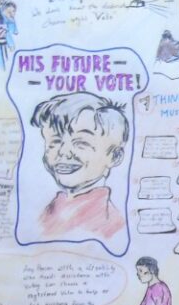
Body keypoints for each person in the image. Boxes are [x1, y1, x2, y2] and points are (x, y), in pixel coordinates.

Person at [30, 91, 129, 242]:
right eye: (55, 141)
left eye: (81, 143)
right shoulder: (49, 212)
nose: (63, 152)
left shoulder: (108, 224)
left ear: (114, 157)